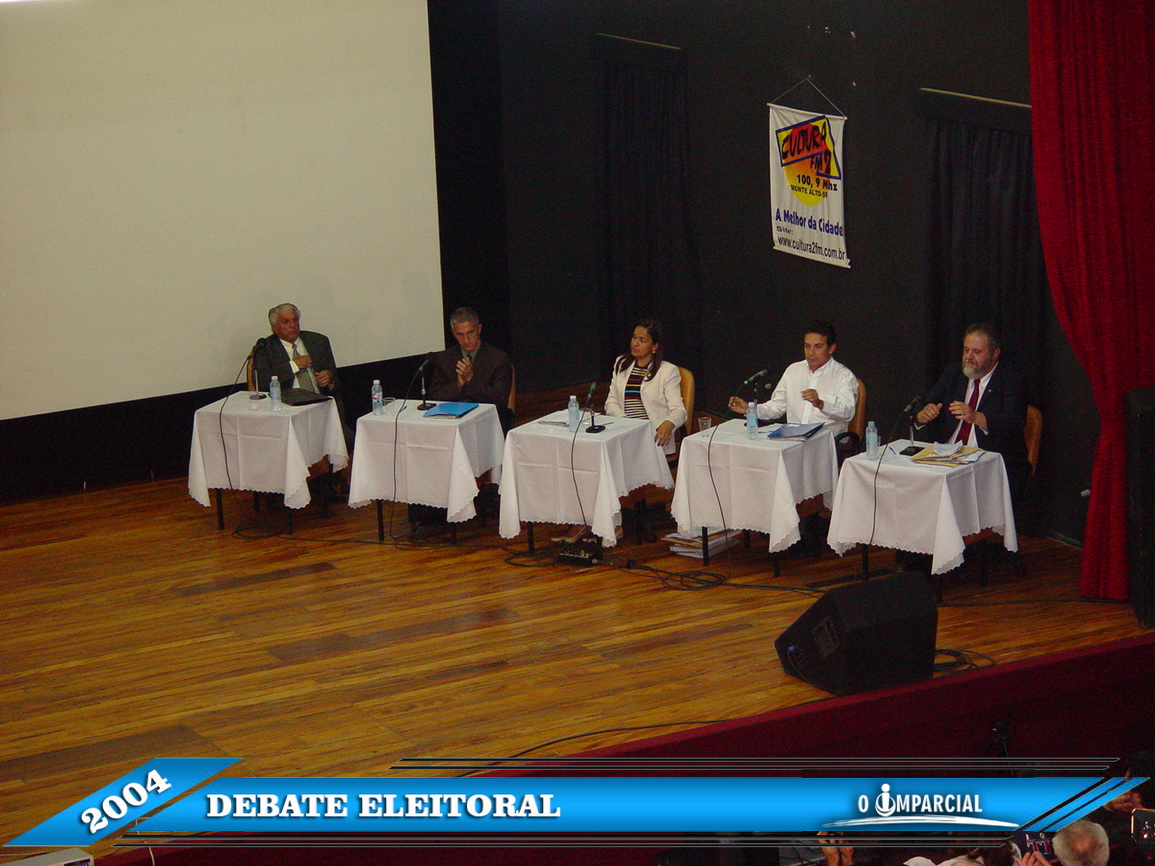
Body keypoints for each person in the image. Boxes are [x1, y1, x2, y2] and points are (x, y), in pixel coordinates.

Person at [915, 323, 1030, 500]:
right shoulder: (953, 374)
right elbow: (922, 402)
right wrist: (922, 414)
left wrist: (976, 417)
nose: (968, 357)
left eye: (976, 352)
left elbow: (1014, 423)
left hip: (989, 463)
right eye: (966, 350)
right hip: (946, 459)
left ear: (995, 353)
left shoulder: (1011, 381)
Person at [727, 321, 858, 436]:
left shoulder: (843, 376)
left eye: (818, 347)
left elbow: (847, 412)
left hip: (826, 440)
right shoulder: (793, 370)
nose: (811, 352)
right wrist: (750, 410)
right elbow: (776, 406)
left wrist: (821, 403)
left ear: (831, 348)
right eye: (807, 346)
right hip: (793, 438)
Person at [604, 318, 687, 456]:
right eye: (634, 337)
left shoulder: (667, 371)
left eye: (642, 340)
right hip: (625, 434)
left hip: (654, 438)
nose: (635, 343)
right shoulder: (621, 363)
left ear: (654, 346)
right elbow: (610, 403)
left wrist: (669, 422)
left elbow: (679, 410)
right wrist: (626, 422)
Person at [427, 306, 514, 431]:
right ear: (453, 333)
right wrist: (458, 384)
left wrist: (471, 379)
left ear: (479, 329)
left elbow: (500, 401)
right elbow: (434, 397)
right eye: (460, 335)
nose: (466, 340)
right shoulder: (444, 358)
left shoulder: (498, 358)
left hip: (487, 423)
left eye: (470, 333)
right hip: (450, 424)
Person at [253, 303, 340, 396]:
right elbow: (262, 383)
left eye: (295, 320)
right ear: (274, 327)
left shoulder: (318, 341)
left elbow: (335, 379)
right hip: (286, 402)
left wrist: (329, 378)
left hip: (321, 399)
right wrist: (294, 365)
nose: (292, 325)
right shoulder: (264, 348)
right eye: (286, 322)